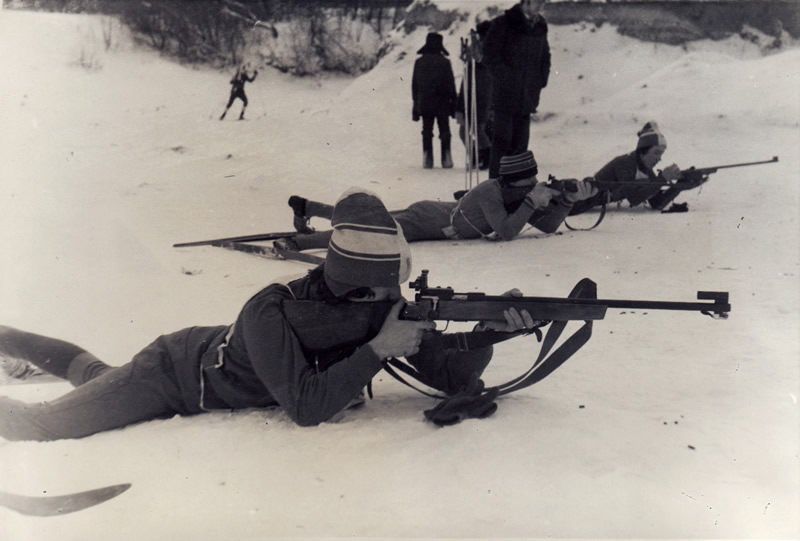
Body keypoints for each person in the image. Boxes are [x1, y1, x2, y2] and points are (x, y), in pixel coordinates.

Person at [0, 190, 535, 441]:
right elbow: (305, 406)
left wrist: (488, 334)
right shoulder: (271, 307)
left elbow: (449, 378)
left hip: (193, 362)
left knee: (93, 374)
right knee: (38, 425)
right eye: (378, 289)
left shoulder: (372, 310)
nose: (387, 299)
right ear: (350, 282)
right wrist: (377, 350)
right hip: (171, 374)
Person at [278, 151, 596, 252]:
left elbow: (548, 226)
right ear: (513, 183)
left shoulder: (516, 196)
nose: (532, 188)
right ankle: (299, 243)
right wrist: (530, 202)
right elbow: (506, 232)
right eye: (527, 185)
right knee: (371, 231)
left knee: (371, 217)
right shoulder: (491, 191)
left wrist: (566, 200)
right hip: (429, 220)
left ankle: (309, 209)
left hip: (438, 214)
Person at [568, 121, 698, 216]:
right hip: (576, 203)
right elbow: (634, 198)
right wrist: (663, 178)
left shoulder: (645, 168)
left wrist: (680, 186)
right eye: (656, 153)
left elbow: (656, 202)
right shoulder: (625, 163)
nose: (659, 159)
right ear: (643, 151)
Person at [482, 0, 551, 178]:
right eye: (538, 2)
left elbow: (545, 55)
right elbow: (490, 57)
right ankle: (495, 188)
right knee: (502, 144)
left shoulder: (540, 25)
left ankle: (517, 189)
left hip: (528, 96)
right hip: (505, 96)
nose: (541, 7)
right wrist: (508, 80)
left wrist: (540, 81)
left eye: (543, 3)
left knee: (521, 147)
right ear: (525, 3)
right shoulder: (503, 23)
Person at [412, 32, 457, 169]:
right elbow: (451, 84)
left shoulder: (419, 62)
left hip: (425, 102)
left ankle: (427, 159)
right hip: (442, 102)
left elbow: (415, 85)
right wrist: (454, 104)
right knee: (444, 130)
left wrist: (415, 105)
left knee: (426, 130)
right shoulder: (445, 62)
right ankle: (446, 158)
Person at [455, 21, 493, 170]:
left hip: (482, 94)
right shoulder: (477, 47)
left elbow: (481, 60)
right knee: (465, 130)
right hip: (471, 93)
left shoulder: (490, 49)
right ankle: (479, 156)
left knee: (478, 129)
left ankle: (486, 158)